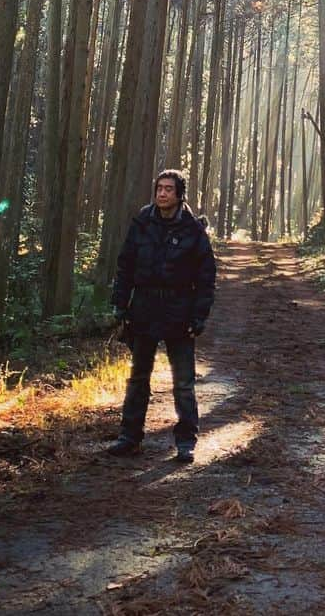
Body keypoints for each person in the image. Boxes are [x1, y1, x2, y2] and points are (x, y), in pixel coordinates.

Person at [107, 169, 216, 463]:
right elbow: (125, 265)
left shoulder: (193, 231)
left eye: (168, 189)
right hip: (143, 309)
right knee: (138, 377)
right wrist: (119, 304)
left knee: (183, 381)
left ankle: (185, 443)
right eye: (159, 188)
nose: (162, 193)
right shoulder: (142, 223)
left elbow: (206, 278)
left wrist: (199, 316)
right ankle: (129, 437)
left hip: (179, 311)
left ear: (180, 194)